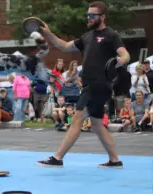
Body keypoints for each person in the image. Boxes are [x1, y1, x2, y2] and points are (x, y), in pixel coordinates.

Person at [37, 1, 130, 168]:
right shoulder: (87, 37)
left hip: (99, 84)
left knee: (77, 119)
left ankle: (57, 158)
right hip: (90, 85)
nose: (88, 18)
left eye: (92, 15)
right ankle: (115, 160)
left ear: (102, 17)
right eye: (87, 15)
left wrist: (120, 61)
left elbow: (125, 55)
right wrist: (49, 34)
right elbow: (64, 46)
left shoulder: (111, 35)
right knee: (96, 124)